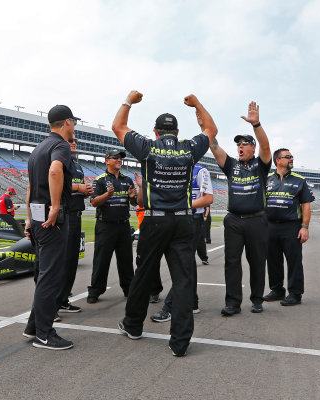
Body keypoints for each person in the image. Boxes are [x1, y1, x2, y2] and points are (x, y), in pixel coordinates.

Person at [113, 90, 217, 357]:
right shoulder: (188, 148)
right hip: (183, 222)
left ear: (156, 132)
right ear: (177, 131)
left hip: (154, 220)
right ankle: (180, 342)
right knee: (184, 281)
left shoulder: (148, 147)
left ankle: (133, 326)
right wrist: (197, 103)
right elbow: (210, 129)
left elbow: (118, 126)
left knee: (144, 275)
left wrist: (128, 101)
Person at [208, 101, 272, 316]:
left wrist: (257, 125)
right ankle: (233, 303)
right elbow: (214, 147)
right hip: (234, 220)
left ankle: (257, 300)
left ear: (252, 147)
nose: (240, 147)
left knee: (256, 262)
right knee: (232, 262)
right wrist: (204, 128)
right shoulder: (231, 165)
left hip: (256, 220)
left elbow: (266, 147)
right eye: (238, 144)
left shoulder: (260, 164)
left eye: (245, 144)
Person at [23, 104, 78, 350]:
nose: (74, 127)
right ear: (67, 122)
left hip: (36, 216)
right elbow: (55, 171)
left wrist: (28, 217)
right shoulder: (61, 146)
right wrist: (55, 206)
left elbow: (30, 187)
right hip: (51, 218)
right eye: (73, 122)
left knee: (45, 272)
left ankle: (34, 325)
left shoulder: (38, 148)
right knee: (51, 276)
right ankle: (44, 334)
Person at [150, 163, 214, 322]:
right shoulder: (176, 168)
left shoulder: (201, 170)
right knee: (188, 262)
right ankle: (192, 303)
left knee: (183, 264)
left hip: (193, 220)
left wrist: (182, 205)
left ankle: (169, 308)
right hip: (179, 219)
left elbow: (208, 198)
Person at [264, 148, 314, 306]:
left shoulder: (299, 179)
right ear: (278, 160)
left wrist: (304, 226)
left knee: (294, 261)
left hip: (291, 226)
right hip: (270, 226)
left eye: (292, 157)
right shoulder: (266, 179)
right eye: (288, 157)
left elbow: (306, 205)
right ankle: (277, 290)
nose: (292, 159)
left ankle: (295, 293)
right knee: (273, 261)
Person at [87, 149, 137, 303]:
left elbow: (134, 204)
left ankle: (129, 289)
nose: (119, 160)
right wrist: (107, 195)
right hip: (105, 226)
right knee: (101, 260)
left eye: (121, 158)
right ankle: (95, 291)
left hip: (123, 226)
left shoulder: (127, 180)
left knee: (126, 261)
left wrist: (133, 197)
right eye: (115, 158)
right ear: (107, 160)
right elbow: (94, 202)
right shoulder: (100, 180)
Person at [57, 134, 93, 313]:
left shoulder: (77, 166)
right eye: (70, 141)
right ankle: (54, 302)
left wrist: (85, 191)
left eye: (75, 141)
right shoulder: (60, 162)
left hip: (77, 214)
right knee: (62, 260)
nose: (73, 143)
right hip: (66, 215)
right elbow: (56, 182)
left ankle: (63, 299)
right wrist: (78, 188)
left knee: (72, 261)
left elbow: (78, 187)